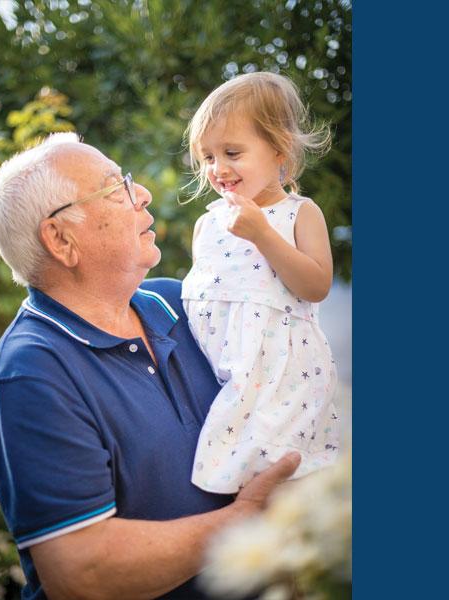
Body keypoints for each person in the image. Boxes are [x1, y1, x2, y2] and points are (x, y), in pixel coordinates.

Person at [0, 132, 301, 600]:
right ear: (61, 239)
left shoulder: (181, 302)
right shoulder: (30, 374)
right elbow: (82, 573)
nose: (142, 193)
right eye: (116, 187)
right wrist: (242, 519)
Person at [181, 72, 342, 494]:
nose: (219, 169)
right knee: (227, 487)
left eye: (232, 152)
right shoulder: (208, 224)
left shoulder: (299, 213)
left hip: (282, 381)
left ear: (278, 150)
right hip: (222, 378)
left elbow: (316, 285)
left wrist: (263, 235)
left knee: (282, 482)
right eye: (208, 157)